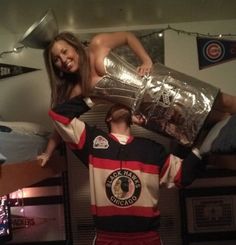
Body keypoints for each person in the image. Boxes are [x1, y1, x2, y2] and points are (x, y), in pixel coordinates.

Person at [48, 100, 205, 245]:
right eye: (113, 107)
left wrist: (205, 145)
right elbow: (58, 115)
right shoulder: (94, 142)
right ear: (107, 119)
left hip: (146, 240)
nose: (119, 106)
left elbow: (183, 175)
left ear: (133, 117)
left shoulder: (152, 149)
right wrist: (96, 96)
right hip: (109, 241)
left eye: (124, 106)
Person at [37, 30, 236, 165]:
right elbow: (60, 122)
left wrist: (146, 60)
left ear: (73, 46)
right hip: (150, 113)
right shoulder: (77, 89)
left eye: (64, 51)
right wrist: (48, 151)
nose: (63, 59)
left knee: (219, 100)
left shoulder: (98, 44)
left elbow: (126, 36)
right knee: (208, 122)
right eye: (56, 59)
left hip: (162, 84)